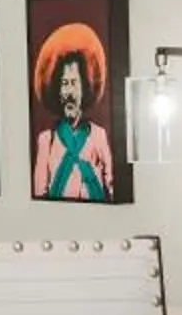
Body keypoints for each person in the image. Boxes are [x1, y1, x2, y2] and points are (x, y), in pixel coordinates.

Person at [31, 23, 117, 201]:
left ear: (84, 87)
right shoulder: (47, 140)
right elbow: (39, 192)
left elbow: (112, 186)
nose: (69, 92)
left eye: (74, 83)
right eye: (64, 84)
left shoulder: (98, 136)